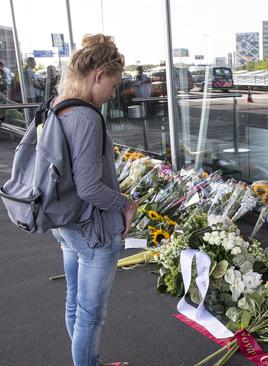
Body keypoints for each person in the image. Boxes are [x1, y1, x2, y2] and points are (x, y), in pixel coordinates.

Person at [48, 33, 137, 366]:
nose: (113, 94)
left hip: (67, 222)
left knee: (75, 303)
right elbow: (90, 188)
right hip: (92, 230)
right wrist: (125, 204)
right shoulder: (86, 117)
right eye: (112, 86)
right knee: (90, 317)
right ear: (99, 75)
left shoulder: (59, 107)